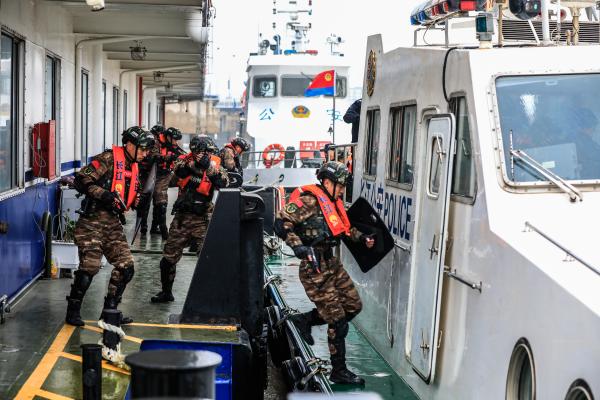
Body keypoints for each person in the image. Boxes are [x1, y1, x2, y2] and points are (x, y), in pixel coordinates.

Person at [274, 161, 375, 385]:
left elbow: (344, 228)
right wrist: (298, 247)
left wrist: (363, 238)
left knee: (353, 306)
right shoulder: (309, 201)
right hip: (314, 267)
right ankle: (338, 370)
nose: (342, 190)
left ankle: (305, 320)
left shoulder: (333, 203)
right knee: (338, 320)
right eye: (340, 185)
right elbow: (281, 223)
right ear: (327, 182)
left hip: (331, 263)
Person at [66, 126, 153, 326]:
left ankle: (110, 312)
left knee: (126, 267)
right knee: (90, 267)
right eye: (142, 149)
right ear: (129, 144)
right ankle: (73, 311)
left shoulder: (134, 167)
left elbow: (129, 195)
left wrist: (138, 201)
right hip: (92, 222)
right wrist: (104, 194)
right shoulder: (108, 158)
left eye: (147, 150)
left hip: (112, 223)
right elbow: (81, 179)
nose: (145, 153)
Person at [151, 135, 229, 303]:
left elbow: (224, 183)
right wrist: (193, 165)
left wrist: (208, 167)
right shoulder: (184, 161)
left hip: (203, 219)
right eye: (204, 152)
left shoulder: (215, 165)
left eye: (208, 152)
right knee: (168, 258)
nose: (206, 155)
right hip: (183, 218)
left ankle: (210, 296)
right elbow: (177, 174)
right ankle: (166, 292)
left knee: (208, 258)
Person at [148, 126, 183, 239]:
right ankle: (160, 231)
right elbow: (153, 157)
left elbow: (182, 155)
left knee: (161, 201)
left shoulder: (174, 146)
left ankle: (159, 229)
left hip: (166, 174)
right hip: (153, 175)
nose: (176, 142)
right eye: (175, 139)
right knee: (157, 202)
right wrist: (166, 158)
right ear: (168, 137)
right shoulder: (156, 143)